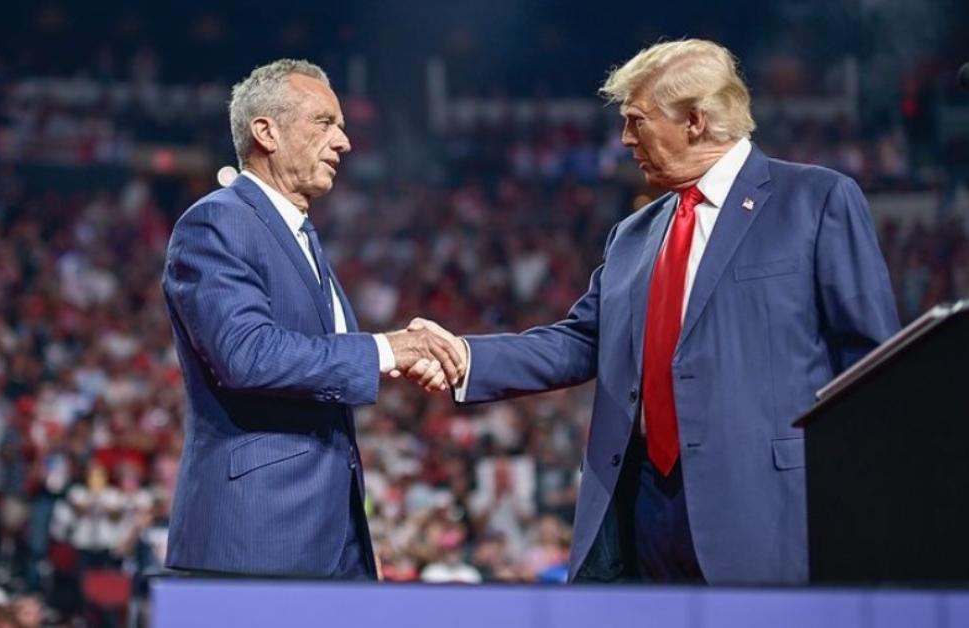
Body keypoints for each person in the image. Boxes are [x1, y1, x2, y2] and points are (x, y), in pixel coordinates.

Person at [410, 39, 899, 584]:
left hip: (769, 508)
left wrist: (869, 509)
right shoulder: (634, 234)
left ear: (694, 120)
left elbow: (873, 366)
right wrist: (464, 357)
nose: (624, 139)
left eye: (636, 120)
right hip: (645, 511)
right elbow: (581, 341)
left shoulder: (815, 199)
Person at [161, 59, 464, 579]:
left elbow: (326, 367)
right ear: (266, 132)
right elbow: (248, 356)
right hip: (256, 537)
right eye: (325, 123)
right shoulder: (218, 221)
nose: (344, 141)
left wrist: (399, 359)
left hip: (330, 535)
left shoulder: (302, 238)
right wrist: (386, 350)